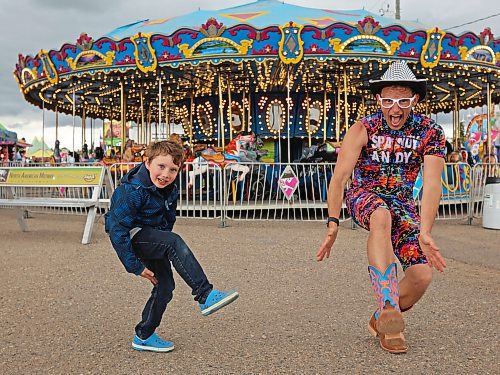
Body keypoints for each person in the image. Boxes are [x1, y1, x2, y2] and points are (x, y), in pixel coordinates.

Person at [316, 61, 447, 354]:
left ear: (414, 100)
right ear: (379, 100)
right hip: (365, 194)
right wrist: (333, 222)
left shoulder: (431, 131)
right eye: (388, 100)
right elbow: (339, 179)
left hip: (403, 203)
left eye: (402, 100)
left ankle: (384, 320)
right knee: (381, 216)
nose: (395, 108)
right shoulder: (364, 128)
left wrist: (425, 231)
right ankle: (388, 303)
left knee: (421, 276)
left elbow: (433, 182)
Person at [105, 140, 239, 353]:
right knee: (174, 241)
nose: (166, 174)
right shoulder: (130, 190)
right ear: (147, 162)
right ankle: (205, 294)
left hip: (154, 239)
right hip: (133, 237)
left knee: (165, 286)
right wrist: (135, 265)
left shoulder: (170, 189)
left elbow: (168, 219)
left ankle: (144, 335)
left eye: (173, 169)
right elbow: (117, 229)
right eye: (161, 166)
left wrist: (164, 247)